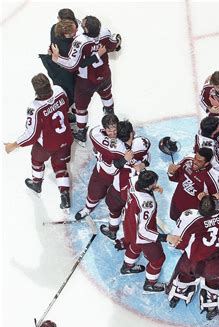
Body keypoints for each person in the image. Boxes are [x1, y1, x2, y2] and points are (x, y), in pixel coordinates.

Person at [4, 74, 73, 209]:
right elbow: (66, 107)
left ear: (36, 91)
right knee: (60, 167)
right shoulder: (59, 90)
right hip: (66, 138)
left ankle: (37, 184)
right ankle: (64, 195)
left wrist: (13, 145)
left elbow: (32, 135)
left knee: (37, 160)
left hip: (47, 144)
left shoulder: (35, 108)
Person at [164, 195, 219, 320]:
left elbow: (178, 243)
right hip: (216, 260)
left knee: (185, 274)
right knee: (214, 282)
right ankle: (210, 304)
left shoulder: (192, 218)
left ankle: (180, 292)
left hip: (194, 260)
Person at [51, 15, 122, 142]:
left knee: (80, 107)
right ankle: (110, 117)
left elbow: (72, 65)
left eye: (83, 24)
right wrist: (117, 42)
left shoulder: (80, 41)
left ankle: (81, 132)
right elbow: (113, 45)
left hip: (86, 81)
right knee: (107, 95)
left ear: (87, 30)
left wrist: (57, 58)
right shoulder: (105, 32)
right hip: (104, 75)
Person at [39, 9, 105, 120]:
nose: (78, 30)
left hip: (59, 67)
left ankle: (72, 111)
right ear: (67, 34)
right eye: (74, 30)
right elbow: (78, 63)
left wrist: (54, 54)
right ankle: (68, 114)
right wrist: (97, 55)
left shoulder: (55, 29)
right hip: (64, 72)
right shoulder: (73, 44)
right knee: (69, 92)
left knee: (70, 92)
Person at [100, 120, 151, 240]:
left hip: (118, 190)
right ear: (131, 133)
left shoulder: (113, 149)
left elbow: (110, 169)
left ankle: (113, 231)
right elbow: (147, 156)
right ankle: (134, 238)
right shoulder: (141, 144)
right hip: (137, 191)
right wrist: (141, 165)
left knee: (114, 209)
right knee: (134, 216)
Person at [75, 114, 130, 220]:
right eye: (110, 131)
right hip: (105, 171)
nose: (113, 134)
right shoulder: (120, 146)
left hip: (117, 174)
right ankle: (87, 209)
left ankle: (124, 210)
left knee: (121, 196)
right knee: (94, 192)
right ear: (105, 129)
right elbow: (117, 147)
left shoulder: (95, 133)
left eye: (115, 130)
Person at [120, 170, 167, 293]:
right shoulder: (147, 203)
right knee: (158, 259)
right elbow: (143, 232)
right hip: (143, 233)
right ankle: (150, 284)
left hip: (128, 223)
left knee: (135, 246)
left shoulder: (133, 180)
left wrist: (151, 190)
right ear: (150, 185)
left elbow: (123, 195)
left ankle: (127, 267)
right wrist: (165, 237)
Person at [167, 147, 219, 222]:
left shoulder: (213, 178)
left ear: (206, 163)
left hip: (191, 214)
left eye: (199, 161)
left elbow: (215, 201)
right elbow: (176, 178)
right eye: (195, 158)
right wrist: (171, 173)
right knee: (174, 220)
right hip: (176, 203)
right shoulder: (188, 160)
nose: (194, 162)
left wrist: (206, 197)